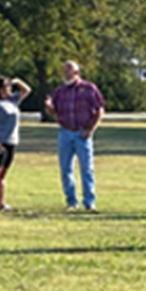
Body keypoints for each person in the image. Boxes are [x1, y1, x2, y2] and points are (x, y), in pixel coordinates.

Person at [44, 61, 105, 212]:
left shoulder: (89, 89)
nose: (65, 74)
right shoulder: (60, 91)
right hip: (65, 132)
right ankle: (72, 202)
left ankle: (89, 202)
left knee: (87, 169)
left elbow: (99, 110)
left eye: (68, 71)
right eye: (64, 71)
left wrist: (90, 129)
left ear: (76, 72)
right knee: (66, 169)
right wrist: (49, 108)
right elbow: (55, 112)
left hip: (82, 132)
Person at [0, 75, 32, 211]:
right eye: (7, 86)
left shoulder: (12, 101)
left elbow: (27, 90)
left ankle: (1, 203)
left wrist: (17, 81)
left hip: (11, 141)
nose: (10, 88)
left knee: (3, 174)